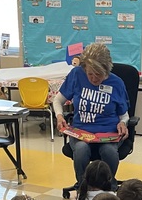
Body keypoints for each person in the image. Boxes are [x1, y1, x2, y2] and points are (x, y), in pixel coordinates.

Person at [53, 43, 129, 185]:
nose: (93, 78)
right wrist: (59, 116)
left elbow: (124, 115)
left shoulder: (117, 83)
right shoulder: (76, 75)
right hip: (81, 131)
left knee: (109, 152)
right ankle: (83, 189)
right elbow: (58, 100)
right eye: (90, 74)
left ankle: (108, 188)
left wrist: (123, 123)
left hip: (108, 133)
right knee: (81, 150)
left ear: (107, 71)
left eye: (98, 74)